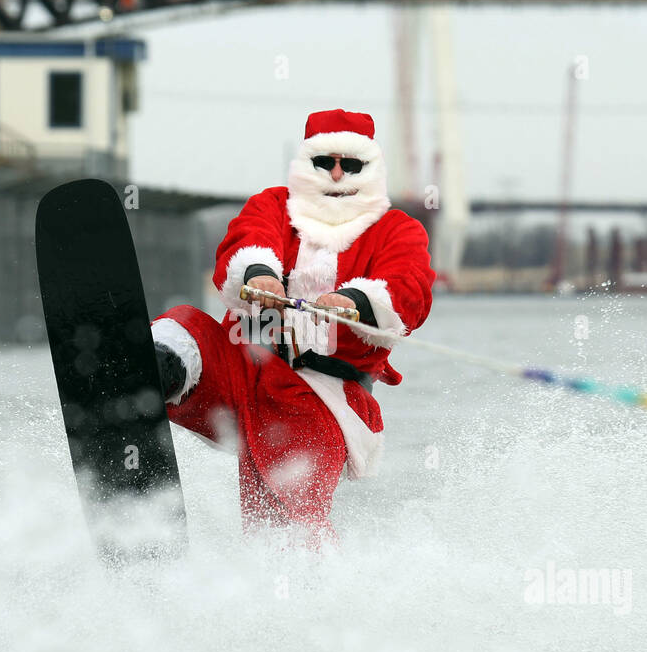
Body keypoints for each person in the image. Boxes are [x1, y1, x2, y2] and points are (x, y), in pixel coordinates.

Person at [149, 109, 435, 546]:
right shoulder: (273, 205)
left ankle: (306, 587)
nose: (337, 174)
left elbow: (409, 287)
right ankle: (150, 373)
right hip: (244, 369)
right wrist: (259, 272)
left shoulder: (398, 229)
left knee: (285, 515)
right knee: (185, 329)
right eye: (325, 162)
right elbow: (249, 238)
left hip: (320, 400)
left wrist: (355, 300)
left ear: (369, 169)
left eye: (351, 164)